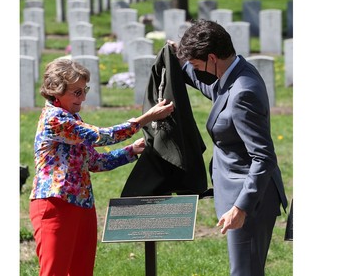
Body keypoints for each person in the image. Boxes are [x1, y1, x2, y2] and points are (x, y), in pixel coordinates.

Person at [28, 58, 174, 276]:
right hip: (55, 204)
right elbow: (100, 136)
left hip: (82, 204)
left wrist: (131, 151)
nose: (84, 97)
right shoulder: (55, 118)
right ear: (56, 91)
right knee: (54, 272)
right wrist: (145, 118)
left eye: (84, 90)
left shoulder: (72, 117)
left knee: (82, 271)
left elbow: (95, 162)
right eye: (77, 92)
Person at [169, 19, 288, 276]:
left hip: (250, 199)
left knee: (244, 272)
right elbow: (215, 90)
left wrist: (241, 207)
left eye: (196, 64)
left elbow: (264, 156)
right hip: (237, 190)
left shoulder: (243, 92)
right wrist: (178, 62)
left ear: (212, 57)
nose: (195, 69)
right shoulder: (235, 73)